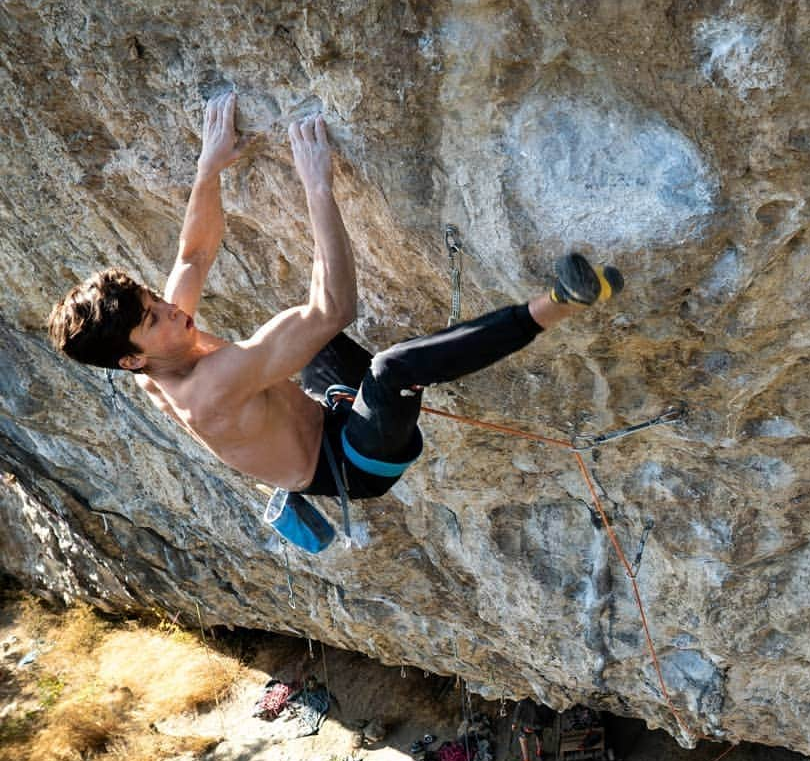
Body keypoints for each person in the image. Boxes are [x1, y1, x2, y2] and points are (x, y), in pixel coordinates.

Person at [48, 91, 623, 516]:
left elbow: (194, 255)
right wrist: (317, 185)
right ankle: (562, 300)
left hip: (322, 411)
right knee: (393, 369)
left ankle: (514, 323)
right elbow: (333, 310)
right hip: (353, 462)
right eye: (154, 316)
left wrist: (209, 166)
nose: (172, 308)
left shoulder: (159, 347)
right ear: (132, 360)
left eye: (154, 299)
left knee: (300, 344)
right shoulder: (210, 388)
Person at [511, 696, 544, 761]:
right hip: (539, 723)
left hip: (527, 725)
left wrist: (514, 723)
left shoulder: (523, 699)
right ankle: (539, 753)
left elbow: (518, 710)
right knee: (539, 735)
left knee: (523, 740)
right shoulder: (540, 697)